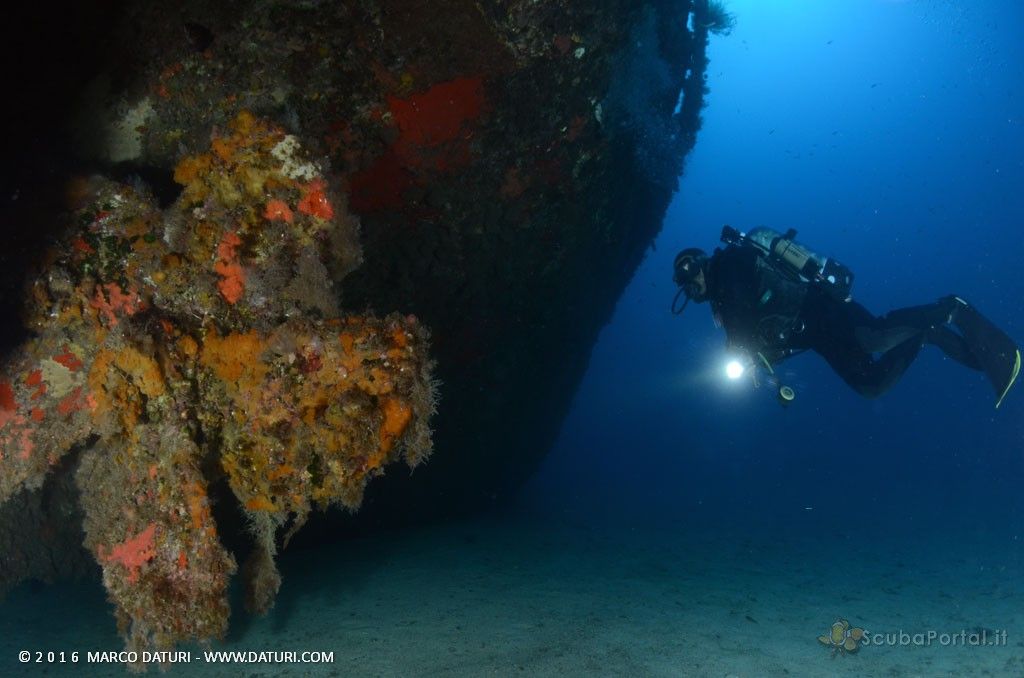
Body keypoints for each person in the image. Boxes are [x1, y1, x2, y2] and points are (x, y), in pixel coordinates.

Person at [673, 226, 1021, 407]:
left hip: (819, 305)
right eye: (685, 288)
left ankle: (952, 309)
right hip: (814, 336)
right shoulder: (721, 308)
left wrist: (738, 349)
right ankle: (926, 334)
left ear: (702, 264)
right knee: (871, 385)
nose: (691, 289)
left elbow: (745, 316)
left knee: (876, 336)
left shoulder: (731, 262)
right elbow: (760, 339)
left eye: (691, 277)